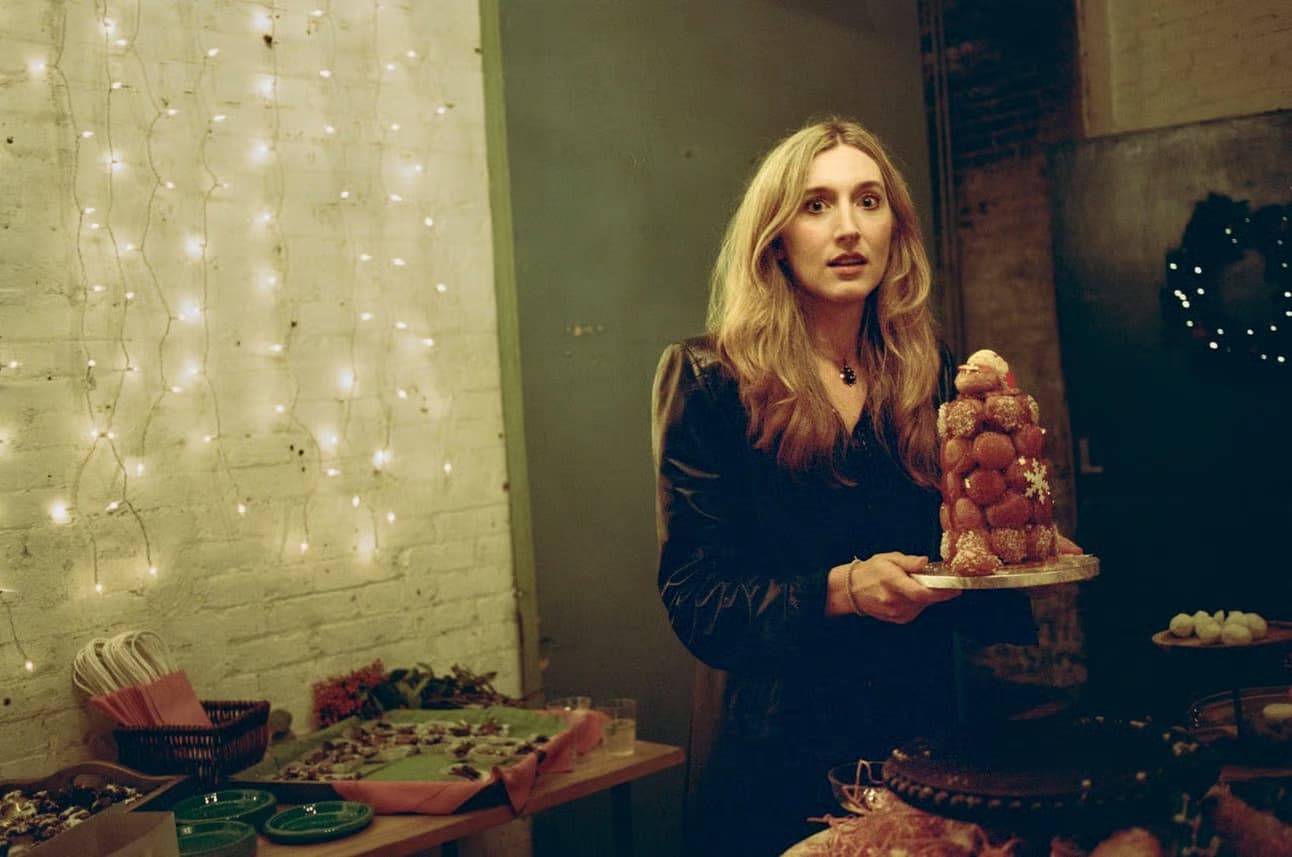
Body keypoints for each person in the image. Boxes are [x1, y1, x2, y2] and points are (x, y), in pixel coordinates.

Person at [651, 118, 1064, 855]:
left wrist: (1013, 541)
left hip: (920, 745)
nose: (848, 227)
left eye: (868, 201)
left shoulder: (927, 369)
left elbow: (953, 548)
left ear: (894, 229)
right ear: (776, 238)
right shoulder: (710, 378)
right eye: (817, 205)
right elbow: (699, 601)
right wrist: (842, 589)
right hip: (776, 757)